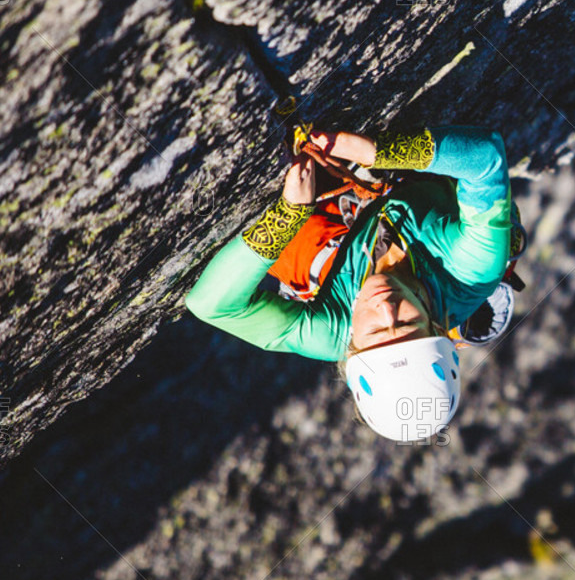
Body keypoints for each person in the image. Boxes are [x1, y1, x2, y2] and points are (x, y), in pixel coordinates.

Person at [185, 124, 514, 442]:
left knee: (298, 257)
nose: (386, 308)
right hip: (420, 190)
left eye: (375, 332)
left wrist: (286, 216)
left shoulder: (332, 335)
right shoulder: (469, 272)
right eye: (408, 323)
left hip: (338, 240)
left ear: (353, 348)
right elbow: (487, 160)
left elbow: (211, 306)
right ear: (435, 327)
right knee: (502, 236)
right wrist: (377, 151)